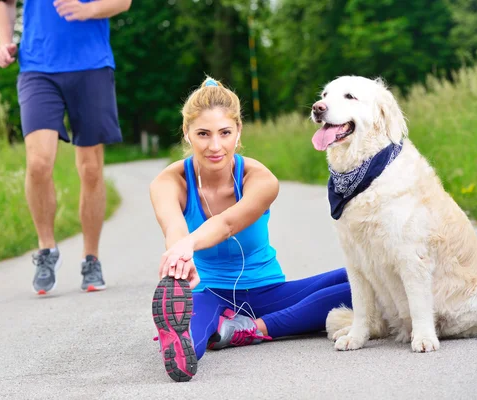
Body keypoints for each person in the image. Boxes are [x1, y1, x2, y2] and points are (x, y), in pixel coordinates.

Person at [149, 77, 353, 382]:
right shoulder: (168, 181)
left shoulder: (260, 179)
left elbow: (228, 222)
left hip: (267, 289)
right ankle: (186, 336)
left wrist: (186, 246)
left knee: (362, 278)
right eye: (203, 134)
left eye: (224, 133)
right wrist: (180, 256)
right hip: (206, 290)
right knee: (194, 337)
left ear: (238, 132)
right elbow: (174, 227)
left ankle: (248, 328)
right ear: (186, 133)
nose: (215, 146)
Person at [0, 0, 132, 294]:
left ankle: (91, 258)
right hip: (37, 67)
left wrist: (89, 10)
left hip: (91, 65)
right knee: (39, 163)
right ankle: (46, 250)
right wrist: (4, 42)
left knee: (91, 169)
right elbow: (4, 3)